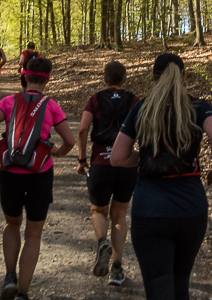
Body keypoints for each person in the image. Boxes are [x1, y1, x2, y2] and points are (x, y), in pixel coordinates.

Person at [110, 53, 212, 300]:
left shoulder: (142, 108)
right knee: (180, 285)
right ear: (184, 77)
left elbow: (117, 157)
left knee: (159, 289)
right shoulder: (198, 106)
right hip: (191, 209)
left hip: (150, 211)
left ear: (153, 78)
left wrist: (144, 160)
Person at [0, 56, 75, 300]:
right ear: (47, 79)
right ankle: (22, 291)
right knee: (33, 232)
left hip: (10, 172)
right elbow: (70, 141)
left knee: (12, 224)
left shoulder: (9, 101)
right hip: (40, 173)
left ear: (25, 76)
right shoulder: (51, 105)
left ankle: (9, 275)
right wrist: (56, 153)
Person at [77, 60, 137, 285]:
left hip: (100, 161)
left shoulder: (95, 99)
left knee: (98, 210)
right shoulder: (133, 100)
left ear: (105, 79)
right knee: (120, 214)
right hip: (126, 163)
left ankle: (102, 241)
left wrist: (82, 160)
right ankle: (117, 269)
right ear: (124, 79)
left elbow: (83, 129)